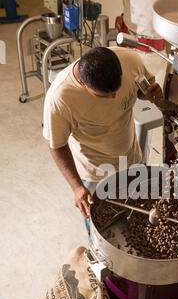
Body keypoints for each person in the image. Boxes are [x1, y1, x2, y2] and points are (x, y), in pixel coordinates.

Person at [43, 46, 162, 233]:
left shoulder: (131, 60)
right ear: (84, 85)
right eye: (104, 95)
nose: (114, 97)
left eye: (116, 89)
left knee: (136, 213)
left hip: (130, 157)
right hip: (94, 173)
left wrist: (148, 93)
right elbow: (57, 146)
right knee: (101, 229)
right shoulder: (60, 98)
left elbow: (143, 87)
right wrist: (77, 187)